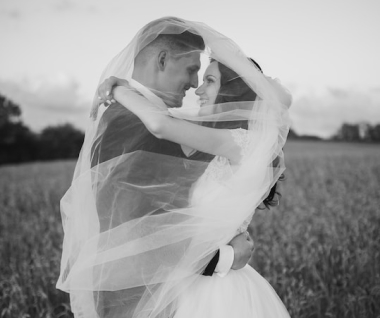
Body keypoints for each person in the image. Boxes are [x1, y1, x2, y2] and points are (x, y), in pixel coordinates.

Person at [56, 17, 291, 318]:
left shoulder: (223, 140)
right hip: (145, 292)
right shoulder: (130, 121)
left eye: (207, 78)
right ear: (163, 59)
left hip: (193, 291)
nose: (195, 86)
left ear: (233, 92)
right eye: (195, 71)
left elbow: (163, 128)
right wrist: (223, 257)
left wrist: (119, 88)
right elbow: (133, 225)